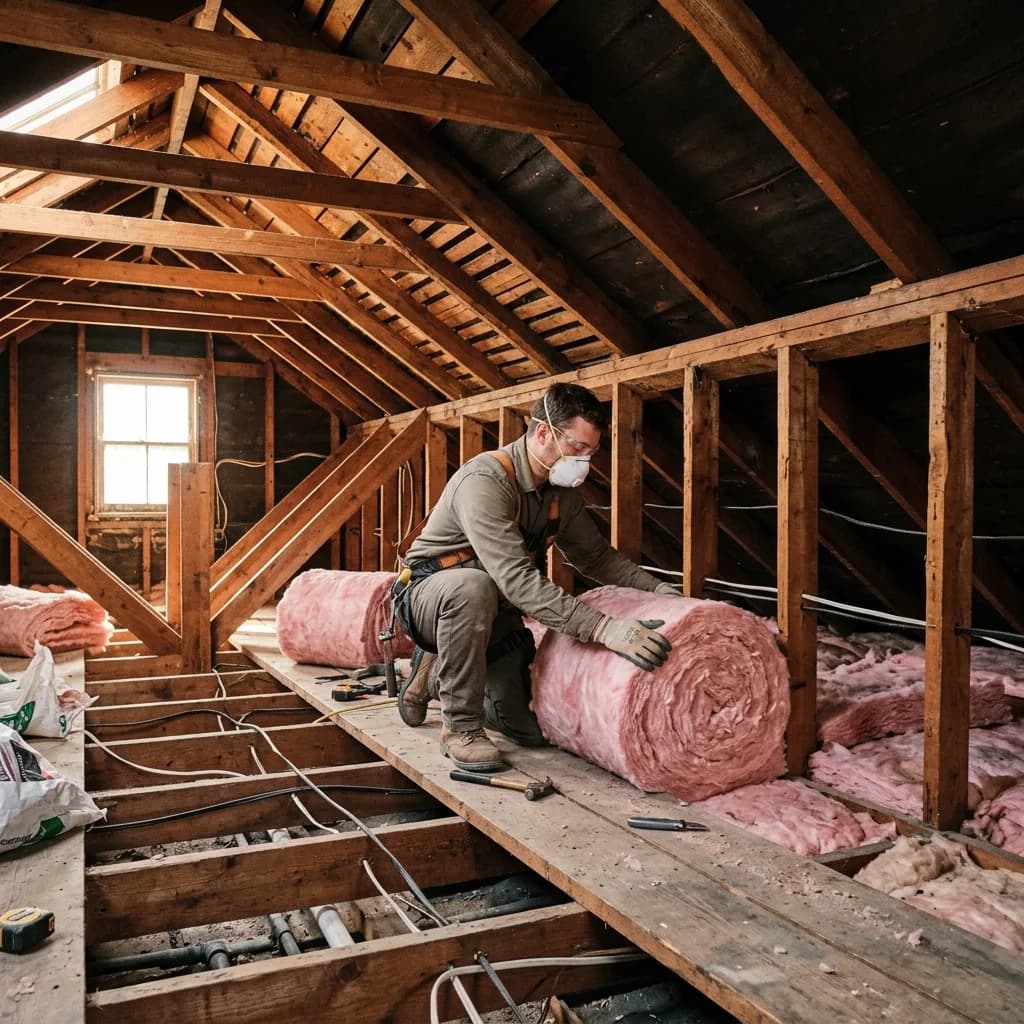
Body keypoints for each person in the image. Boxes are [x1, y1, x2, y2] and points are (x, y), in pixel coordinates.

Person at [394, 382, 676, 772]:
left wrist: (661, 592)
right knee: (471, 588)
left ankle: (438, 673)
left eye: (590, 452)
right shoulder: (486, 480)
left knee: (528, 728)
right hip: (429, 596)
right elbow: (516, 579)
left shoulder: (561, 493)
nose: (583, 460)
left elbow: (595, 557)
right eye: (577, 448)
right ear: (543, 432)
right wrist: (604, 628)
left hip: (495, 610)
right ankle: (461, 728)